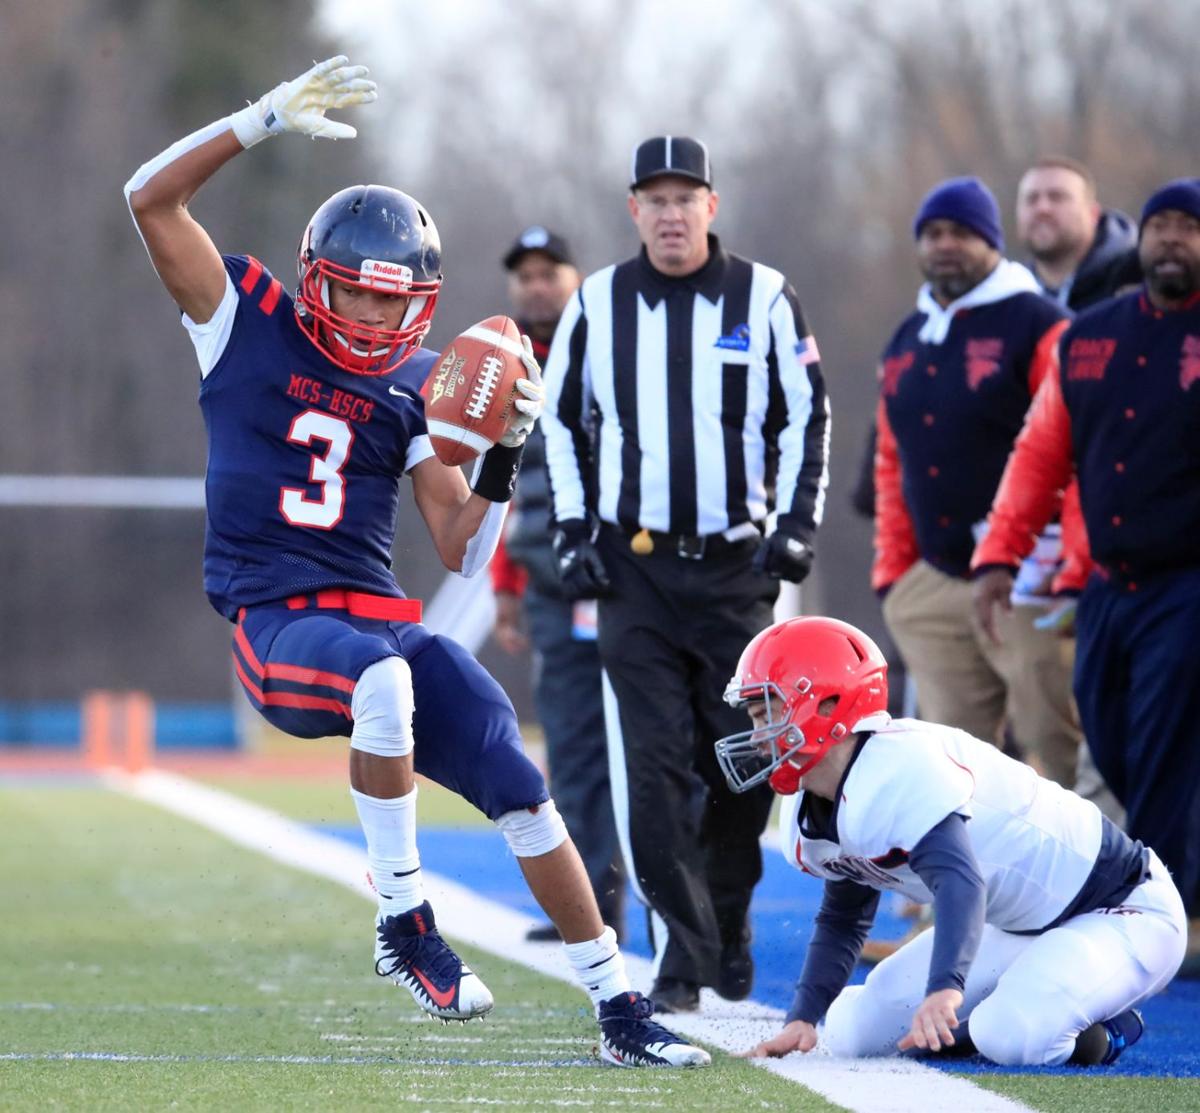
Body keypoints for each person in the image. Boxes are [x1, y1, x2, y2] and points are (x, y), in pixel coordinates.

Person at [122, 56, 709, 1069]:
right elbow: (149, 197)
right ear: (317, 279)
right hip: (276, 619)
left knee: (518, 780)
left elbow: (457, 549)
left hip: (378, 613)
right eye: (358, 297)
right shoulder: (242, 320)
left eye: (397, 307)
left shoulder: (412, 381)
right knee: (387, 680)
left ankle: (619, 1009)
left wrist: (504, 461)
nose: (377, 323)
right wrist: (258, 121)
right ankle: (403, 920)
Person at [541, 135, 830, 1012]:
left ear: (712, 205)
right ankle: (679, 959)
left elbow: (810, 413)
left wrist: (794, 527)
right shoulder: (597, 301)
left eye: (685, 197)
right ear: (634, 210)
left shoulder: (767, 296)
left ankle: (728, 917)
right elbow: (560, 420)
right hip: (637, 574)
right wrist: (574, 527)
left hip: (738, 570)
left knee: (742, 762)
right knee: (655, 768)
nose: (671, 214)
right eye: (654, 199)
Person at [719, 616, 1185, 1067]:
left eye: (768, 714)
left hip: (1121, 909)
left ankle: (1112, 1026)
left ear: (826, 705)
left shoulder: (898, 766)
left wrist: (944, 991)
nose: (760, 737)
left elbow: (961, 884)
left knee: (1010, 1035)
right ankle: (1009, 1005)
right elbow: (844, 915)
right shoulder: (821, 803)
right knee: (850, 1030)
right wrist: (802, 1018)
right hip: (1017, 923)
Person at [972, 178, 1200, 978]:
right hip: (1108, 582)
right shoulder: (1091, 335)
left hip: (1188, 581)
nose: (1172, 239)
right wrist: (999, 556)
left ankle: (1154, 920)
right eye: (1162, 225)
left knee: (1163, 740)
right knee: (1105, 734)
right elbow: (1039, 454)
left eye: (1188, 228)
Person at [874, 176, 1082, 790]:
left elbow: (1075, 444)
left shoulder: (1038, 322)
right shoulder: (908, 336)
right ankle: (971, 888)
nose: (945, 245)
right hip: (935, 580)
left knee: (1059, 743)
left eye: (962, 233)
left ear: (992, 241)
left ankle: (1107, 883)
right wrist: (895, 574)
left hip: (1029, 575)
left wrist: (1068, 562)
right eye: (933, 233)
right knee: (954, 769)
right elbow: (891, 461)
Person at [490, 226, 626, 943]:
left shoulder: (607, 351)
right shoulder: (499, 366)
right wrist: (504, 588)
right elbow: (497, 488)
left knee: (642, 743)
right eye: (526, 275)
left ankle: (674, 900)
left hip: (623, 586)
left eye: (551, 272)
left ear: (577, 278)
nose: (537, 285)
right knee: (570, 748)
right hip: (548, 589)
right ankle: (592, 902)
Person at [1016, 156, 1141, 310]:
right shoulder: (1009, 293)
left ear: (1093, 214)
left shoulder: (1137, 280)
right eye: (1031, 199)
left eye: (1057, 197)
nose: (1042, 209)